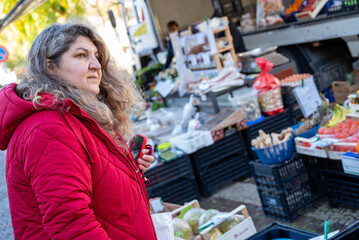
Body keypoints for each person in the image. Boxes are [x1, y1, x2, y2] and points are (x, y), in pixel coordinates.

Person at [0, 22, 157, 240]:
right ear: (50, 67)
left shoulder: (75, 115)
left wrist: (124, 167)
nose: (96, 65)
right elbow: (72, 224)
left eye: (96, 55)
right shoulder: (47, 128)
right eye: (82, 55)